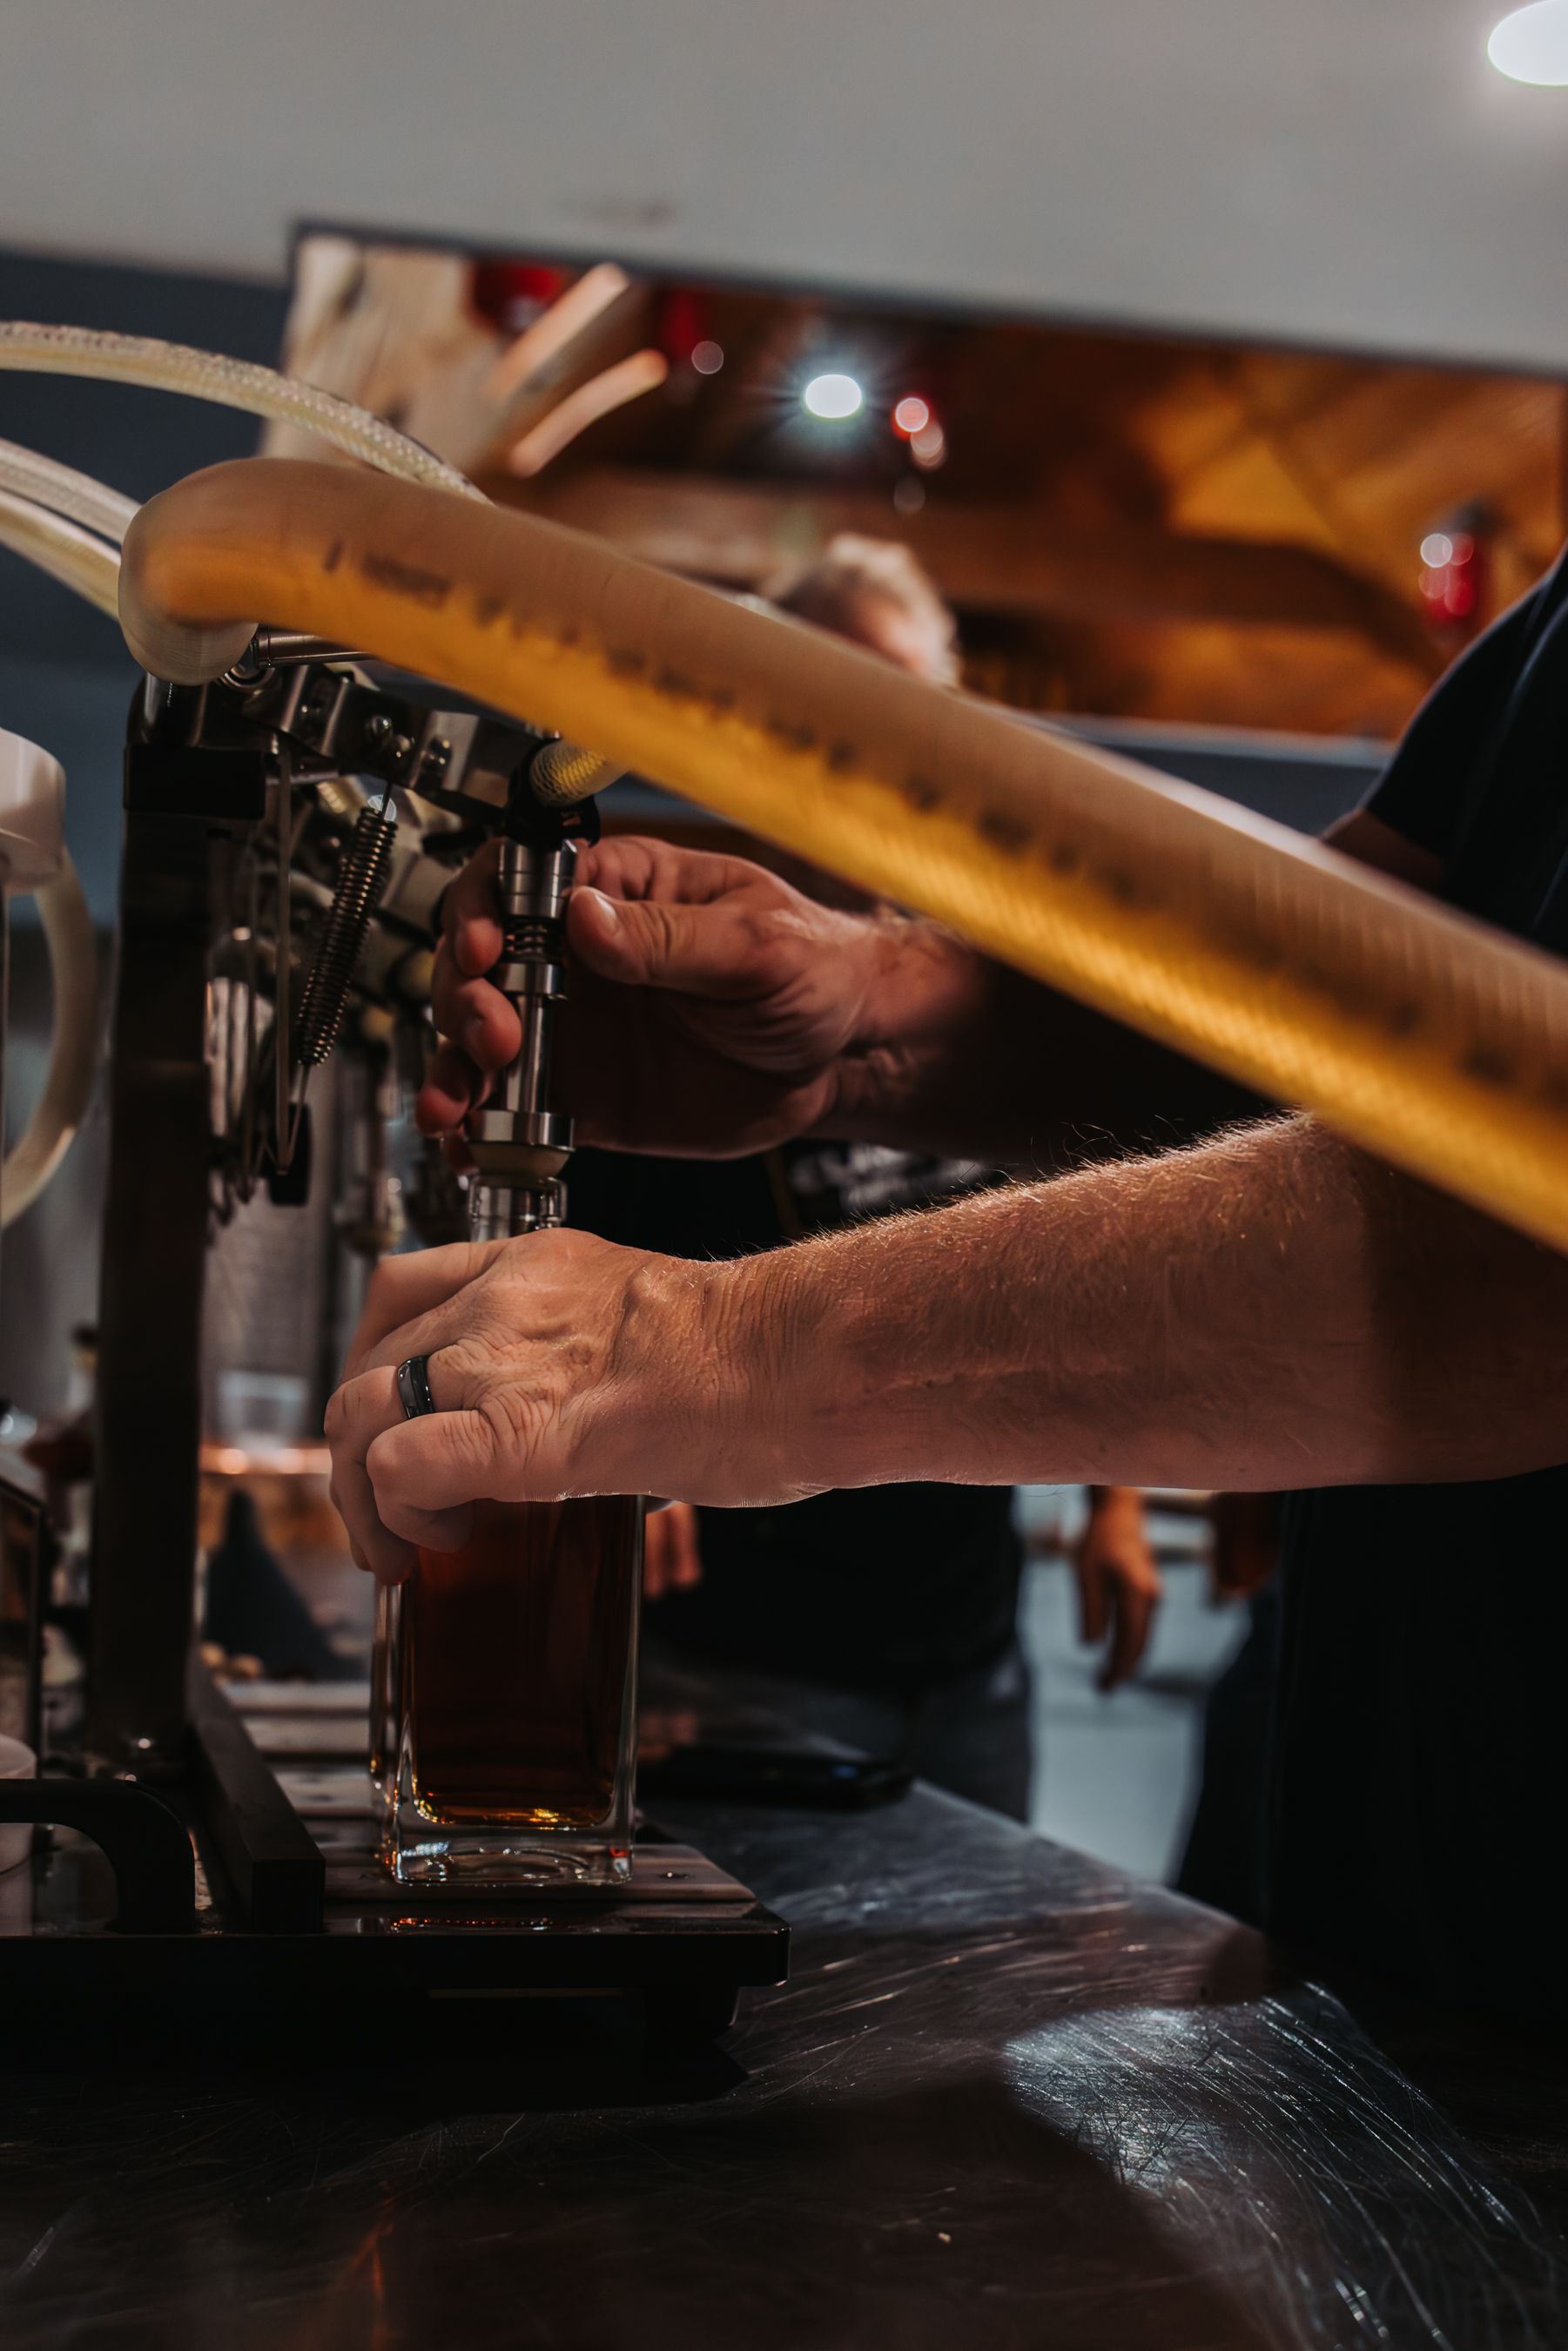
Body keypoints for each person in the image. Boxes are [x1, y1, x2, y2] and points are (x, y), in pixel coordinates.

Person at [328, 548, 1568, 2029]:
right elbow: (1345, 1005)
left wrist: (727, 1348)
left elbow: (1527, 1249)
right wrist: (874, 1017)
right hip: (1409, 1920)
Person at [581, 536, 1033, 1816]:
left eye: (902, 701)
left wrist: (1110, 1511)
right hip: (755, 1644)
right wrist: (614, 1466)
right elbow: (585, 1237)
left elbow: (1093, 1182)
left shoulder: (997, 972)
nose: (873, 740)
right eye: (837, 704)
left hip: (969, 1639)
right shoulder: (695, 965)